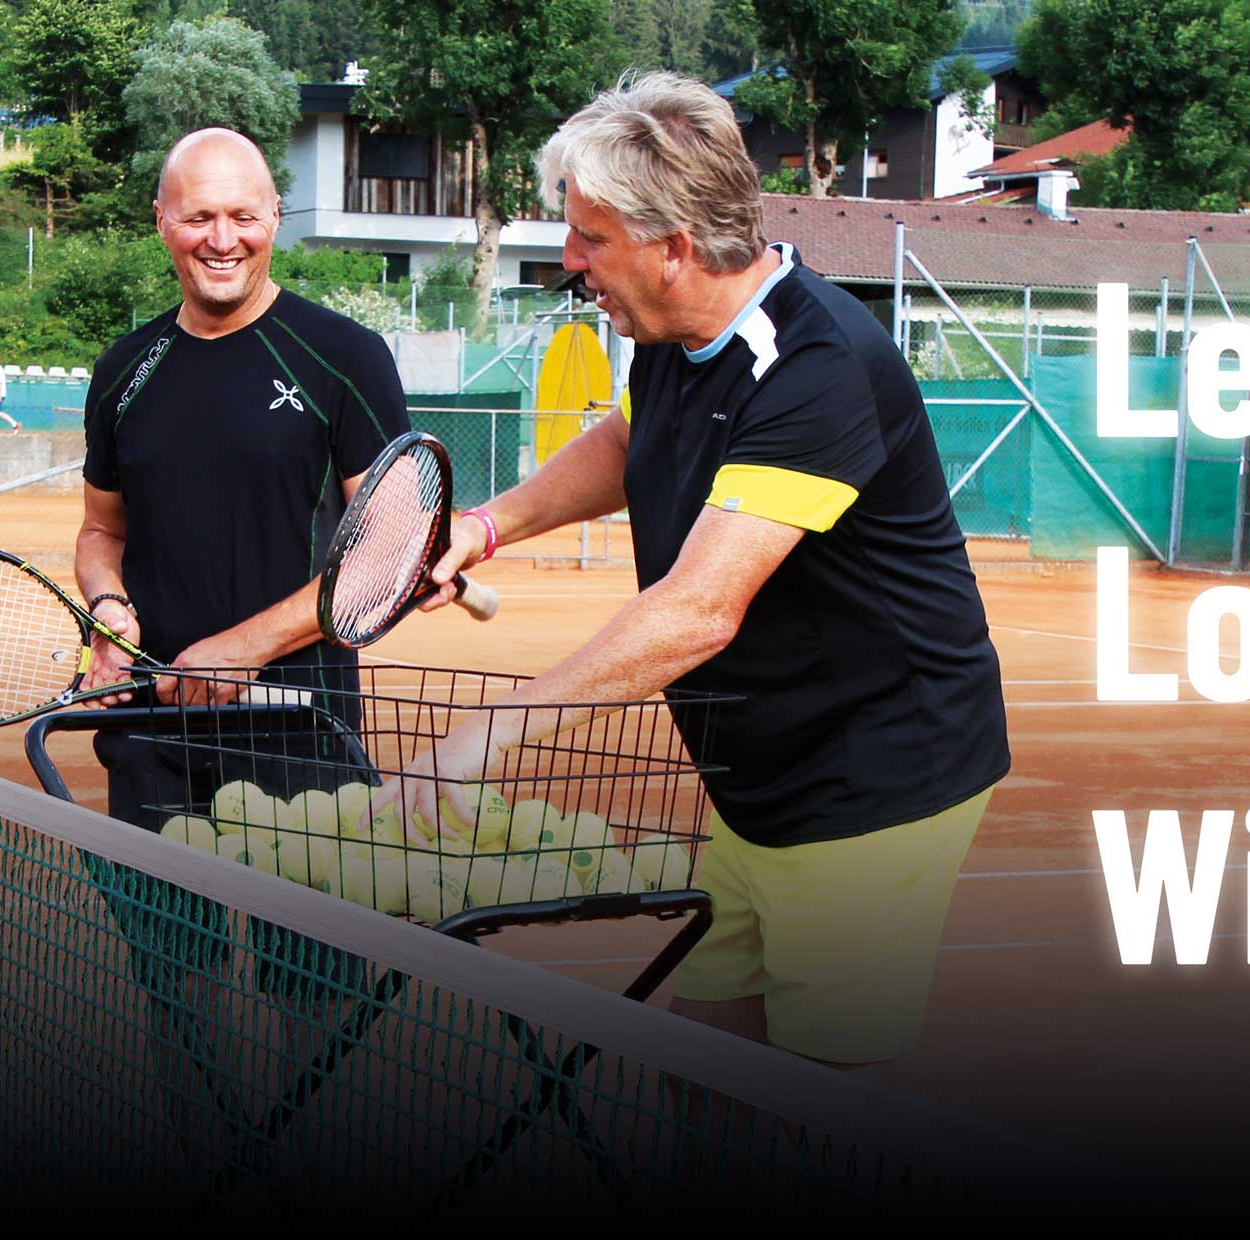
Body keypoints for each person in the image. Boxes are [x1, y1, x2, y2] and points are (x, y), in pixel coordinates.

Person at [396, 73, 1010, 1068]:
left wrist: (487, 734)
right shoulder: (673, 332)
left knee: (820, 1093)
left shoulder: (814, 368)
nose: (571, 260)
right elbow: (626, 441)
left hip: (875, 778)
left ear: (674, 247)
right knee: (706, 1049)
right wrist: (488, 524)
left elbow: (695, 612)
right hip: (764, 773)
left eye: (590, 238)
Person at [72, 127, 406, 1002]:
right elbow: (101, 532)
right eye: (199, 218)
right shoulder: (124, 370)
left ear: (275, 218)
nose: (222, 239)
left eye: (243, 217)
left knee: (314, 1000)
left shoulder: (344, 357)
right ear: (161, 221)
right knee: (177, 994)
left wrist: (243, 648)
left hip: (302, 732)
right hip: (153, 730)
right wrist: (107, 612)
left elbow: (389, 553)